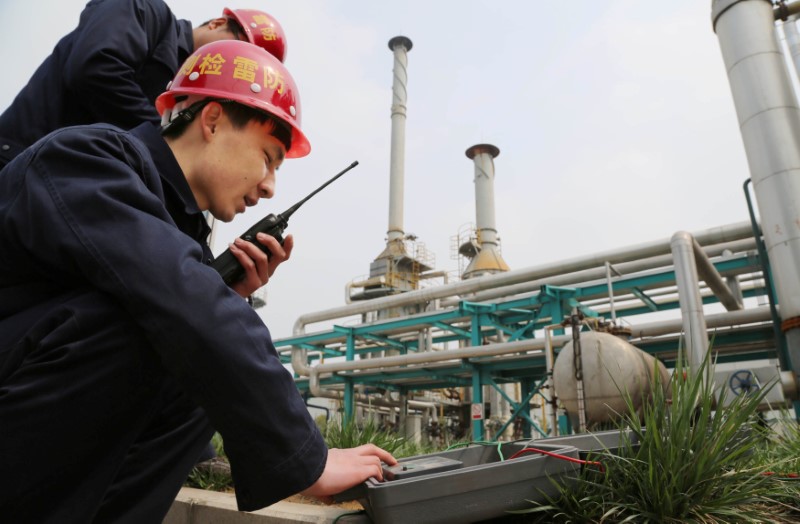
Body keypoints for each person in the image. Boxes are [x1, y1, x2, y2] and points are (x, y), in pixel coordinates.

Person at [0, 39, 396, 522]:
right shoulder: (85, 159)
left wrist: (227, 295)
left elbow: (190, 304)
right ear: (211, 121)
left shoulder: (173, 226)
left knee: (198, 352)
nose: (271, 185)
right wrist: (307, 457)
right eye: (269, 157)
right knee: (168, 328)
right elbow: (181, 301)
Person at [0, 0, 288, 169]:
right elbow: (95, 67)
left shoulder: (188, 99)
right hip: (17, 159)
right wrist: (170, 138)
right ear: (216, 23)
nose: (228, 63)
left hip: (59, 189)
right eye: (234, 50)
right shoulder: (143, 9)